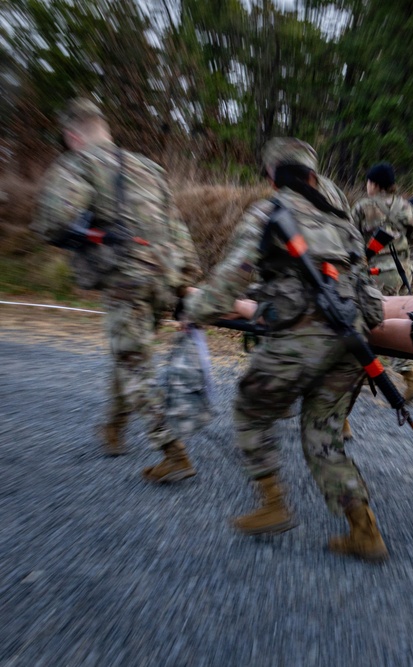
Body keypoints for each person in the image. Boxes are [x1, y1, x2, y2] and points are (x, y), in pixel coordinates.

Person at [184, 138, 391, 562]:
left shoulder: (271, 212)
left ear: (272, 177)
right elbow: (370, 297)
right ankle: (364, 529)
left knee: (248, 410)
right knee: (324, 436)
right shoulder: (343, 222)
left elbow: (231, 278)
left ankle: (273, 502)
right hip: (351, 344)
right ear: (313, 176)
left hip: (299, 342)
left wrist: (195, 311)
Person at [31, 97, 201, 482]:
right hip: (165, 277)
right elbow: (178, 229)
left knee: (134, 363)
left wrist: (82, 235)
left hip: (127, 279)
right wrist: (187, 283)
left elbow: (51, 220)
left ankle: (173, 452)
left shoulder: (81, 162)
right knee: (129, 354)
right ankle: (114, 429)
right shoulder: (149, 167)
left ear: (73, 135)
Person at [352, 162, 413, 400]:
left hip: (374, 275)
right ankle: (406, 378)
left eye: (368, 182)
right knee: (400, 321)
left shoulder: (362, 207)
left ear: (373, 183)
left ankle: (404, 375)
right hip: (402, 273)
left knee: (368, 322)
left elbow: (349, 239)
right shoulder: (405, 206)